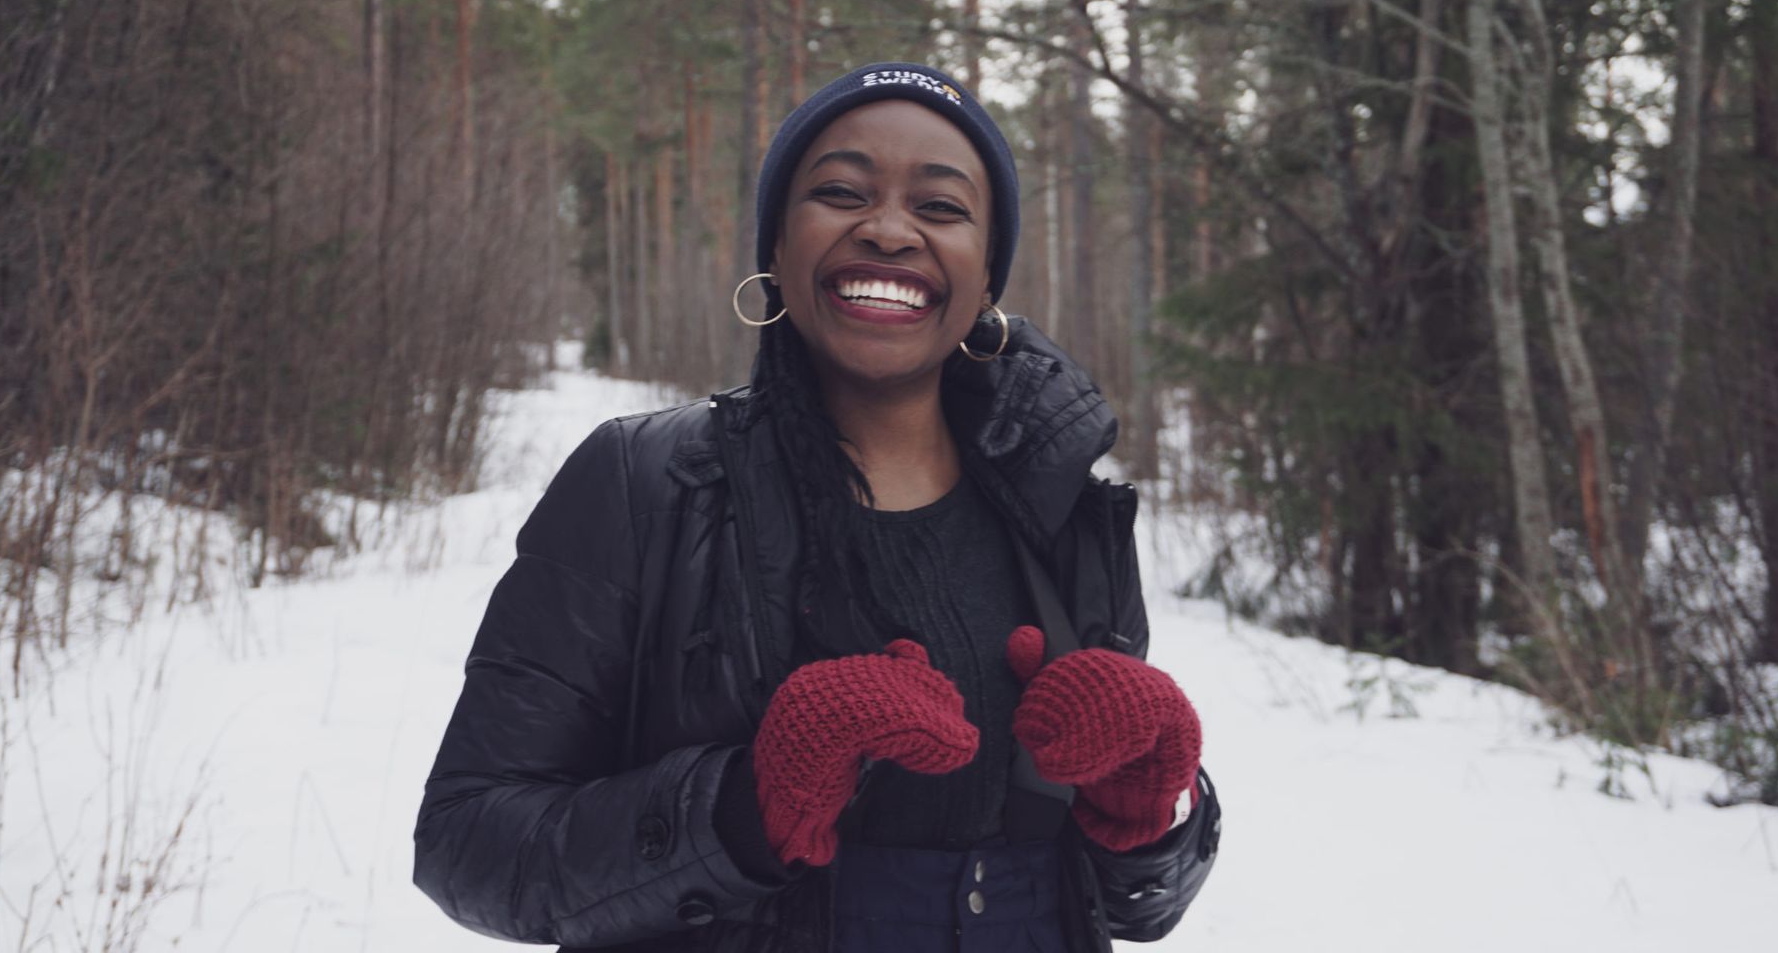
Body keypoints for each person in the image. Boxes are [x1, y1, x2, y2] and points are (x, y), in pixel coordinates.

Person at [413, 62, 1221, 952]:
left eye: (942, 208)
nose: (887, 229)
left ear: (986, 275)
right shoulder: (642, 485)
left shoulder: (1062, 507)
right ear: (776, 247)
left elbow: (1139, 906)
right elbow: (467, 843)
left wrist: (1155, 803)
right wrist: (745, 803)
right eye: (839, 192)